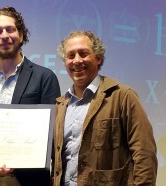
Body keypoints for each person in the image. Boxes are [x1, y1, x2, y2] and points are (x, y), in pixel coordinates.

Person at [0, 6, 61, 186]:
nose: (4, 36)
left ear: (21, 35)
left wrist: (18, 160)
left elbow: (52, 132)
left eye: (10, 29)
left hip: (24, 178)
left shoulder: (45, 77)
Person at [51, 30, 158, 185]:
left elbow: (144, 153)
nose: (77, 60)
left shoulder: (123, 96)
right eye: (71, 55)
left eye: (83, 53)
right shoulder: (60, 106)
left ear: (99, 58)